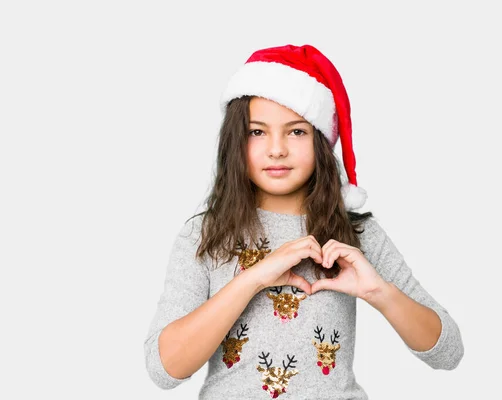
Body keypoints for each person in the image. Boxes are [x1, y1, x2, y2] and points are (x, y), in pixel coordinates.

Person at [143, 44, 464, 399]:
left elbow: (449, 352)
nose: (277, 148)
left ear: (320, 140)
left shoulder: (357, 234)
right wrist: (253, 279)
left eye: (296, 131)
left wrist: (379, 293)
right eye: (257, 132)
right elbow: (165, 370)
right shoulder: (204, 234)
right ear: (235, 142)